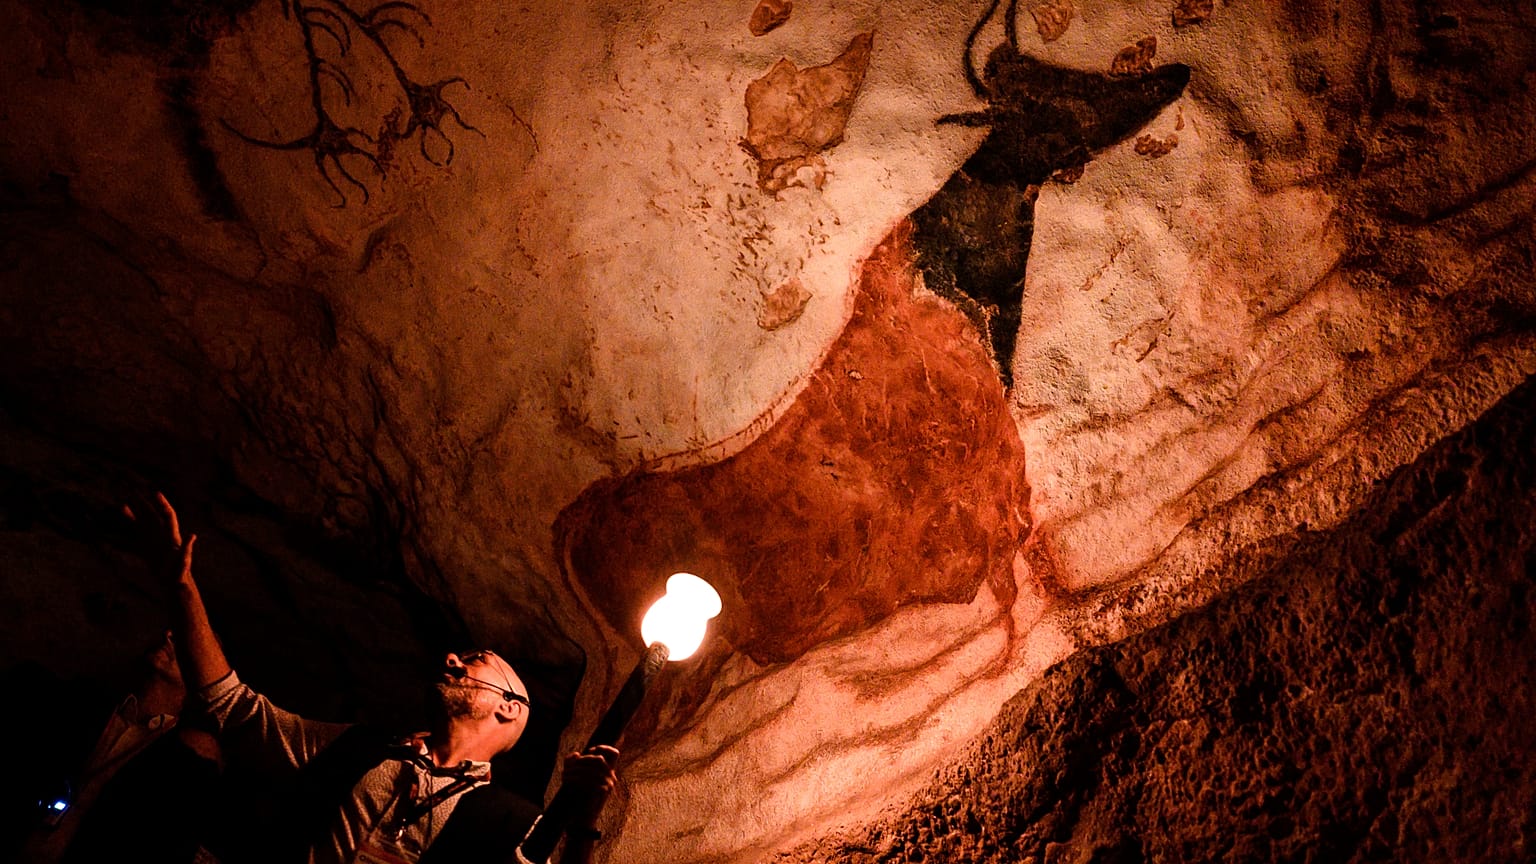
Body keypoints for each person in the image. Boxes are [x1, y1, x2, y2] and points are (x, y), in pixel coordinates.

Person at [139, 493, 617, 864]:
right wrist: (181, 588)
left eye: (475, 659)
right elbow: (232, 705)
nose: (451, 657)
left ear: (509, 706)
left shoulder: (514, 819)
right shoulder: (354, 748)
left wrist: (583, 817)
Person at [15, 631, 222, 864]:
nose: (168, 635)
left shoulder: (183, 760)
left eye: (187, 638)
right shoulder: (85, 702)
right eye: (171, 628)